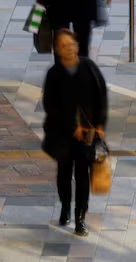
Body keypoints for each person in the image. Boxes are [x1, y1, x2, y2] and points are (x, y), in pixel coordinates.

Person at [42, 29, 107, 237]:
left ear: (77, 46)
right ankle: (65, 207)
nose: (68, 48)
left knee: (82, 175)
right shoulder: (54, 73)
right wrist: (72, 127)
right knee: (63, 173)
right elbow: (51, 106)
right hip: (62, 135)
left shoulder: (88, 67)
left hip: (87, 135)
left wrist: (100, 124)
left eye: (71, 44)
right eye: (63, 45)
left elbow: (101, 94)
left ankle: (80, 217)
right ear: (57, 50)